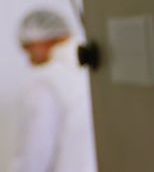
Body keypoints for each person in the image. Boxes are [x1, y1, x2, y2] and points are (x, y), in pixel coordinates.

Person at [10, 9, 96, 172]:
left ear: (45, 40)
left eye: (29, 48)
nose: (30, 60)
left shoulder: (44, 81)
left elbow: (36, 153)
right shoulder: (94, 70)